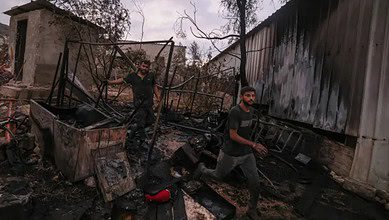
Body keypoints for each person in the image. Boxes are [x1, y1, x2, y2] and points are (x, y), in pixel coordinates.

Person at [194, 86, 268, 219]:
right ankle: (202, 169)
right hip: (230, 153)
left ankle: (251, 209)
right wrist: (254, 144)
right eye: (248, 95)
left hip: (246, 154)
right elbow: (233, 135)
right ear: (242, 96)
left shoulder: (251, 111)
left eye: (253, 96)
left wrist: (252, 146)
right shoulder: (235, 111)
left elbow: (246, 131)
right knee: (218, 175)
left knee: (255, 183)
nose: (251, 98)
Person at [108, 60, 161, 139]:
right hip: (139, 103)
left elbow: (154, 86)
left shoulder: (151, 75)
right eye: (143, 66)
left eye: (147, 67)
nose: (145, 68)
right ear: (139, 66)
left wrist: (158, 97)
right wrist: (110, 82)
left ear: (149, 68)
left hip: (149, 103)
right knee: (141, 123)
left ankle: (134, 128)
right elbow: (122, 80)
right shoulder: (133, 76)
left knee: (151, 120)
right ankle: (141, 140)